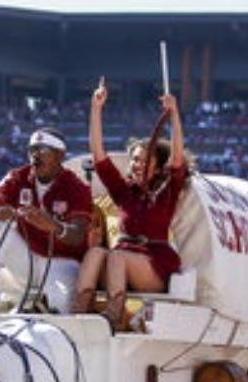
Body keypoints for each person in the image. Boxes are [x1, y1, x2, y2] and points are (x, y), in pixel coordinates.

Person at [74, 78, 187, 330]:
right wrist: (96, 109)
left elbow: (178, 157)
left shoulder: (166, 191)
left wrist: (174, 113)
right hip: (122, 261)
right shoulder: (124, 191)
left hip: (152, 265)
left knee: (117, 257)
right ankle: (77, 315)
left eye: (142, 160)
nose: (135, 164)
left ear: (157, 165)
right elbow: (99, 155)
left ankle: (115, 319)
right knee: (94, 254)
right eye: (134, 159)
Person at [0, 126, 92, 317]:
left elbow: (77, 235)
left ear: (60, 155)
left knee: (59, 305)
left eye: (43, 150)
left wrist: (53, 226)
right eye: (32, 150)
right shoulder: (17, 177)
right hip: (26, 261)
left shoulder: (77, 187)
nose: (35, 156)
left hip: (62, 263)